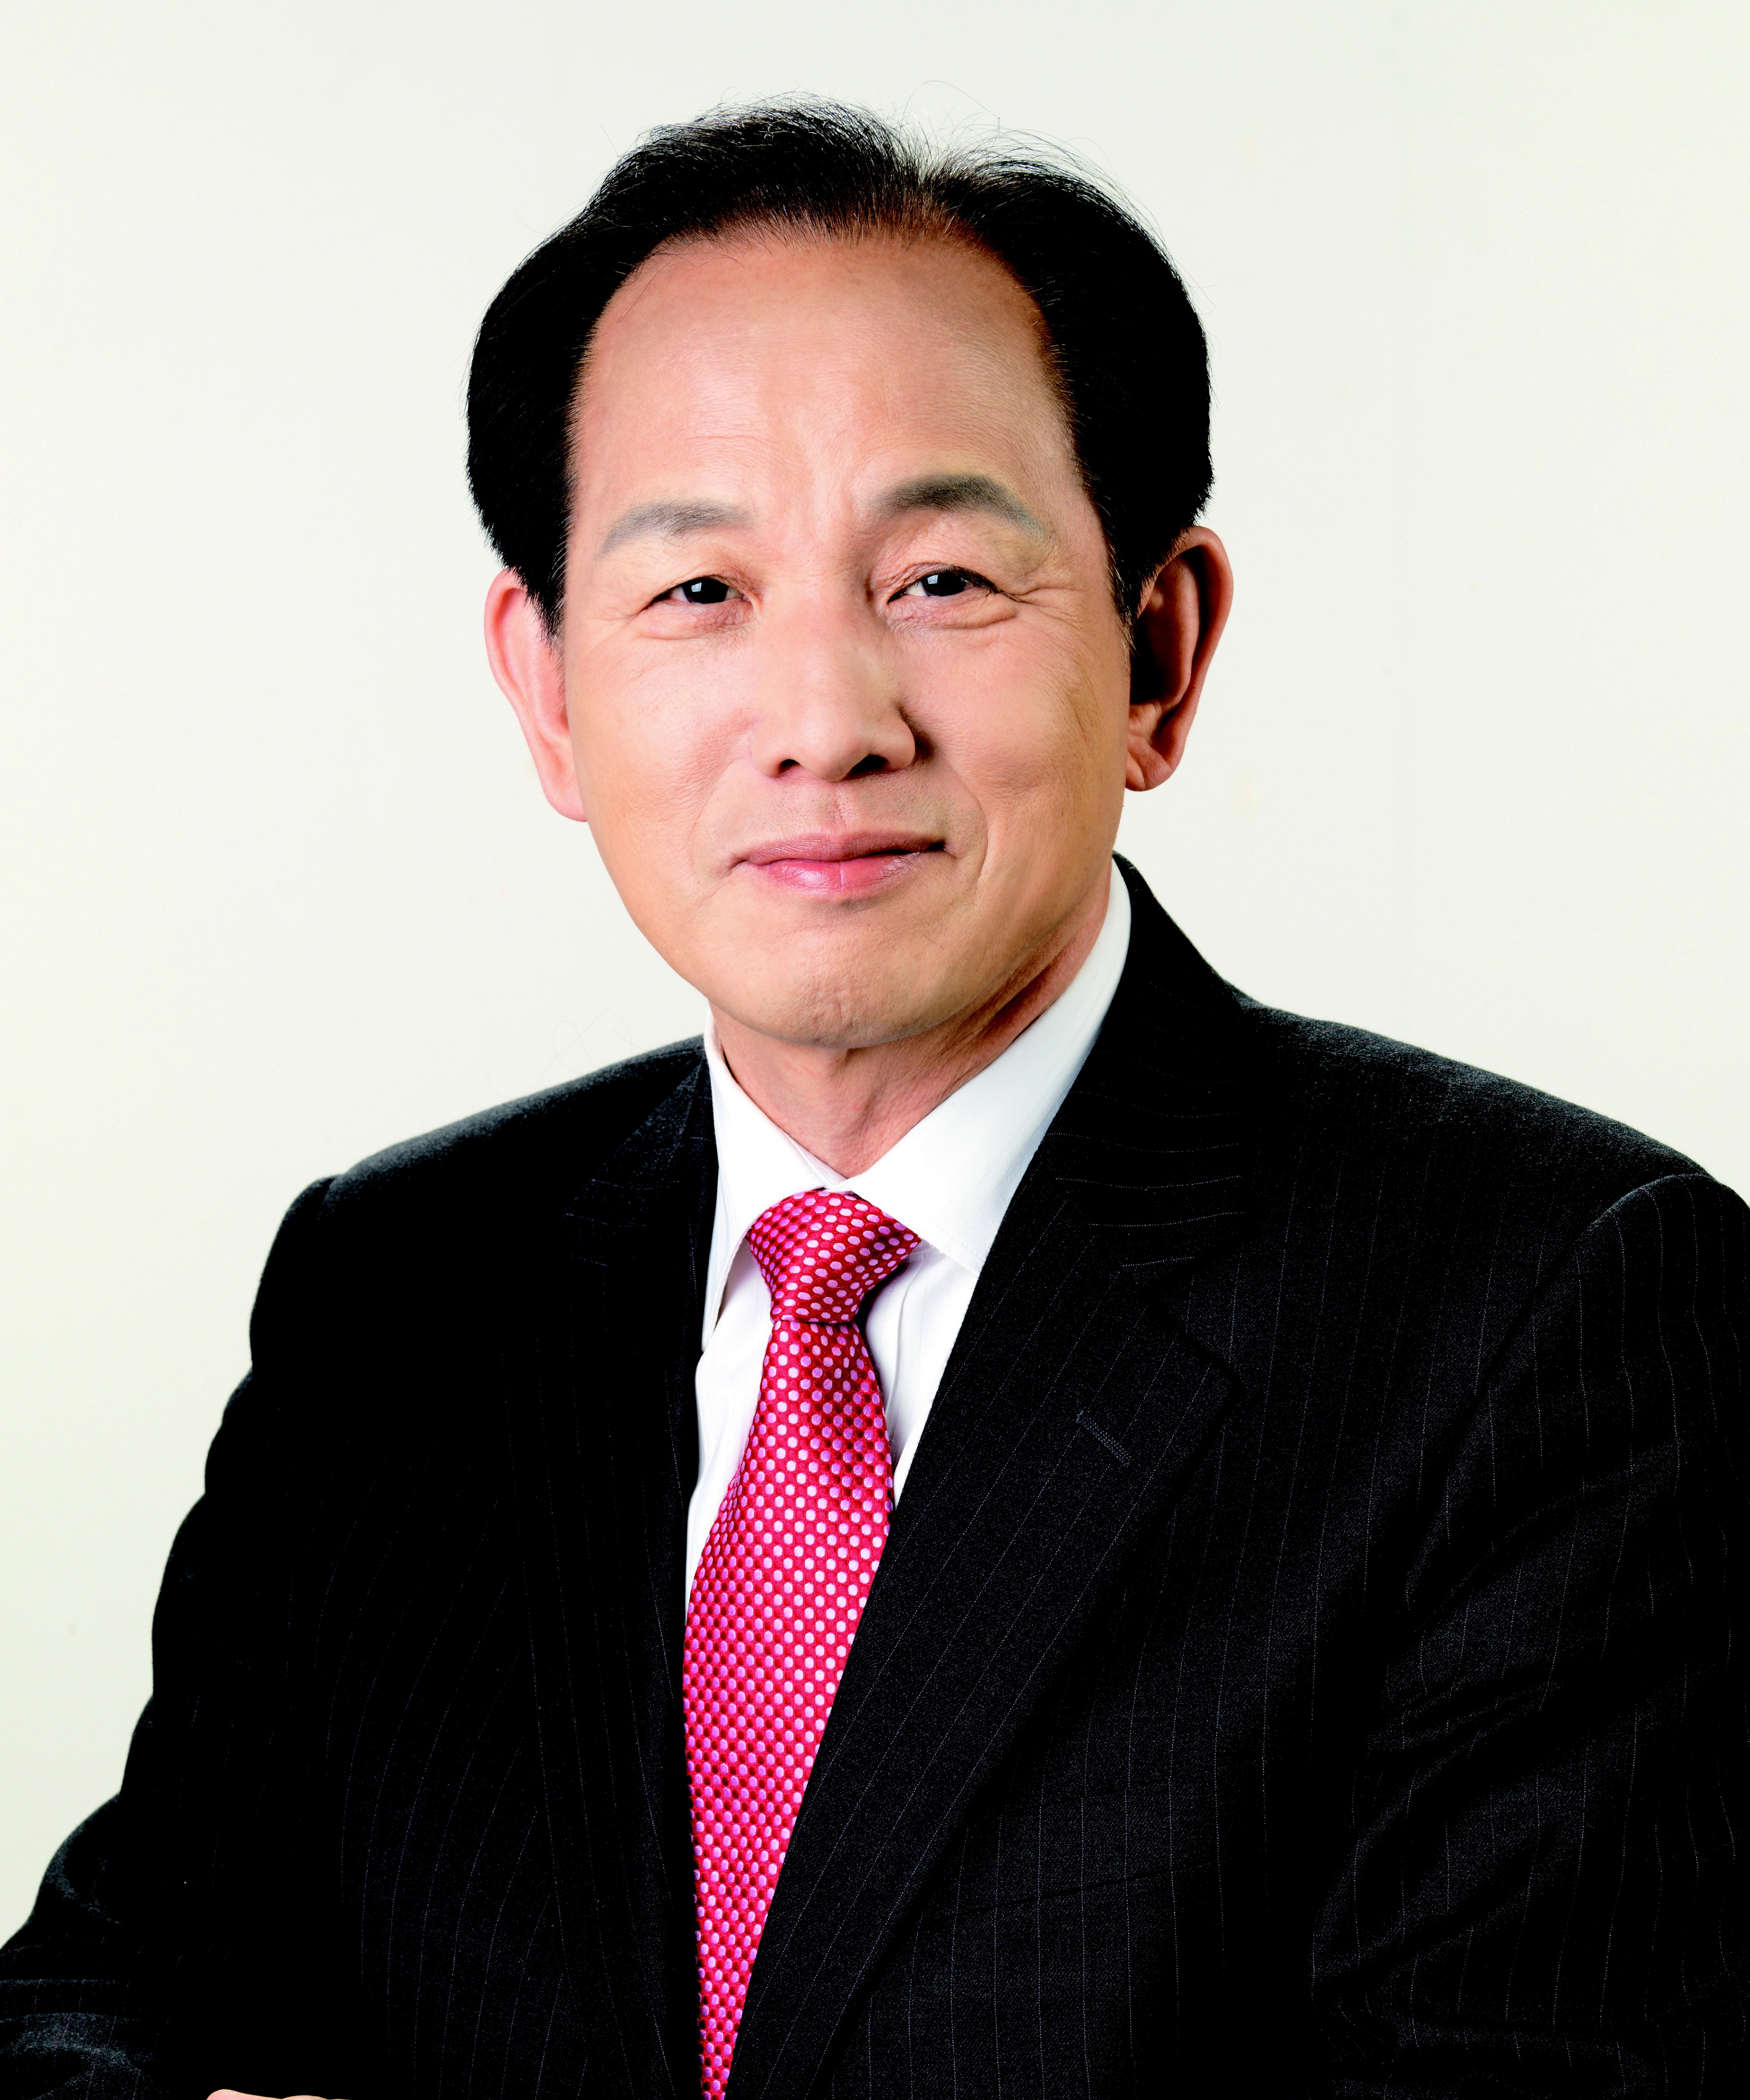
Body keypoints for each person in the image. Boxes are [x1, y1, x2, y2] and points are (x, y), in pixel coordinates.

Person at [2, 99, 1745, 2100]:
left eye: (939, 579)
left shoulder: (1554, 1316)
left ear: (1158, 653)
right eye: (696, 592)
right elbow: (98, 2004)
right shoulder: (396, 1289)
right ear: (547, 691)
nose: (826, 724)